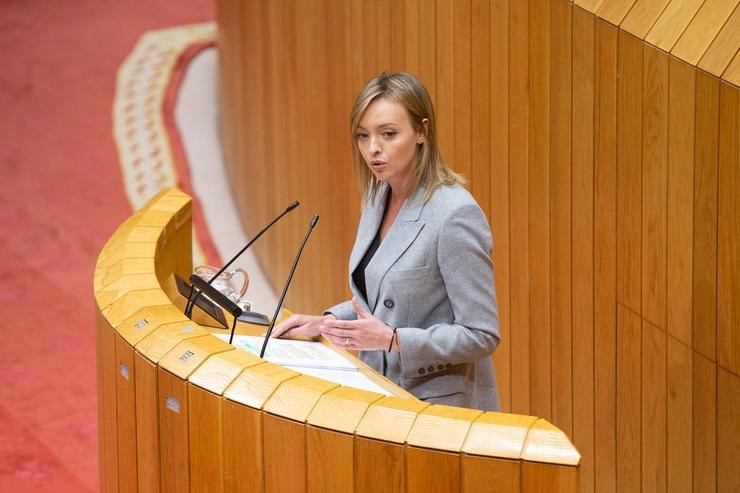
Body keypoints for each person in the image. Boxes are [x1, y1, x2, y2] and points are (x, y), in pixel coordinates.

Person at [272, 72, 500, 411]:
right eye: (363, 136)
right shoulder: (380, 195)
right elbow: (386, 299)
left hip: (437, 408)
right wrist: (329, 323)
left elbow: (481, 334)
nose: (373, 149)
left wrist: (393, 340)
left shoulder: (454, 216)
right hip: (380, 389)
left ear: (422, 131)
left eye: (388, 134)